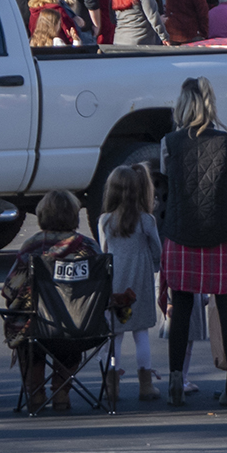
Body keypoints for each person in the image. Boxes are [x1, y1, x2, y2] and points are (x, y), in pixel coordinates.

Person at [156, 77, 227, 407]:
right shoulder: (226, 142)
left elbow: (174, 185)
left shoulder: (169, 143)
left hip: (181, 232)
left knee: (180, 307)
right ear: (210, 103)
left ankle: (174, 382)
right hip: (222, 233)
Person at [0, 190, 104, 412]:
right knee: (72, 319)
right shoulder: (91, 248)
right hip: (82, 329)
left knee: (30, 324)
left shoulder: (33, 247)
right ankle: (61, 391)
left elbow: (10, 289)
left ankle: (35, 393)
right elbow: (103, 290)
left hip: (37, 329)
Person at [97, 163, 165, 403]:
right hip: (140, 282)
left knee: (115, 336)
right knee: (141, 333)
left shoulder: (105, 220)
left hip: (115, 284)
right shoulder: (146, 220)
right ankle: (145, 385)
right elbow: (157, 250)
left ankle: (112, 384)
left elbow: (103, 251)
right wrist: (155, 268)